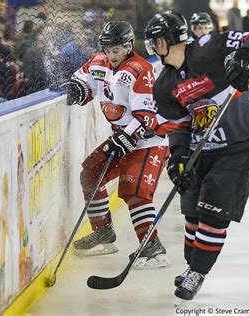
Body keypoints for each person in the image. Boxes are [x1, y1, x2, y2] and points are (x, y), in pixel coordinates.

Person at [144, 10, 249, 300]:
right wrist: (177, 156)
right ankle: (193, 265)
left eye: (155, 41)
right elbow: (178, 124)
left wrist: (243, 57)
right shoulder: (164, 84)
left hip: (237, 147)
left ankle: (198, 272)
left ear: (166, 40)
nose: (152, 47)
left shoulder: (207, 47)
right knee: (191, 211)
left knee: (213, 211)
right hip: (200, 151)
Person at [65, 21, 171, 269]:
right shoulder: (99, 62)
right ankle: (103, 233)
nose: (112, 56)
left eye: (117, 50)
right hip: (121, 138)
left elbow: (147, 117)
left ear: (129, 46)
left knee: (133, 189)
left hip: (148, 141)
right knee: (90, 172)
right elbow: (83, 80)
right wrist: (77, 89)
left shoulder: (140, 69)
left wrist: (127, 137)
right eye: (108, 49)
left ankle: (153, 248)